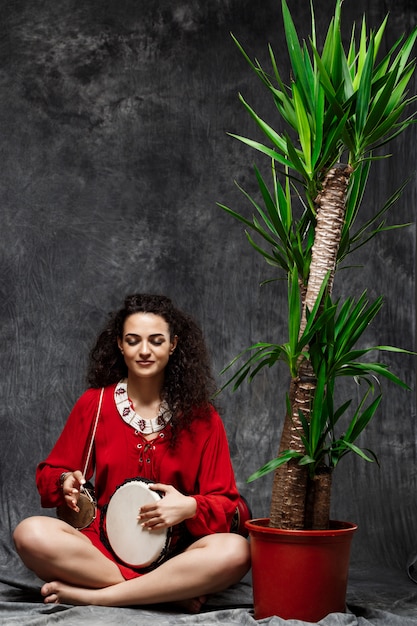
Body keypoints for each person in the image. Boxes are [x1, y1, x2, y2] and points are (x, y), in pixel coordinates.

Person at [13, 294, 251, 612]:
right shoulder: (95, 404)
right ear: (120, 345)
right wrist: (65, 481)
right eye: (133, 340)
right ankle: (167, 592)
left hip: (179, 552)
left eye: (155, 341)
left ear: (173, 344)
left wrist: (189, 507)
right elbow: (51, 473)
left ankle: (96, 595)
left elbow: (226, 502)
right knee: (29, 533)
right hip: (105, 548)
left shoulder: (202, 416)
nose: (144, 351)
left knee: (236, 551)